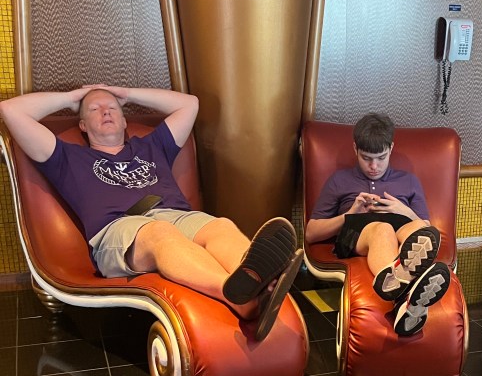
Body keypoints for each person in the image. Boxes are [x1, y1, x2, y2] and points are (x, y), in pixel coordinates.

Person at [0, 85, 299, 339]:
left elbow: (189, 104)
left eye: (112, 108)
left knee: (220, 225)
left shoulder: (152, 146)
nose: (105, 112)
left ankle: (255, 282)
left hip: (176, 215)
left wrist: (127, 94)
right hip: (119, 230)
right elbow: (10, 110)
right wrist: (73, 98)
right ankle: (236, 295)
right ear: (82, 126)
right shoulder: (67, 158)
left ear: (124, 121)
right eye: (94, 109)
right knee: (160, 233)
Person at [305, 112, 450, 337]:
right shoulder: (339, 180)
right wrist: (350, 213)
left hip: (402, 227)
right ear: (355, 149)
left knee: (419, 232)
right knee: (383, 229)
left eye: (381, 158)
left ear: (391, 148)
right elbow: (311, 233)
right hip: (359, 230)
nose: (374, 166)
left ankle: (406, 302)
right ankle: (404, 287)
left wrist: (404, 211)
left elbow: (426, 230)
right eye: (366, 158)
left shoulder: (409, 181)